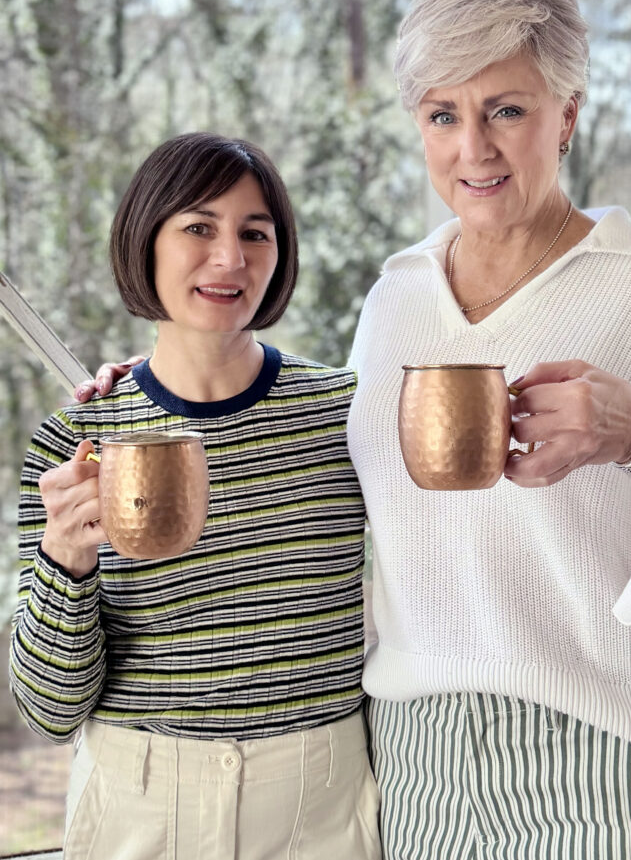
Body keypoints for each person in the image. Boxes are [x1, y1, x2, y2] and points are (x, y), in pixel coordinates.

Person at [77, 0, 631, 860]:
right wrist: (169, 375)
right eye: (444, 114)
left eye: (506, 110)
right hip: (412, 754)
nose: (472, 148)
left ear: (568, 116)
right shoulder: (396, 295)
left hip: (605, 743)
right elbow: (323, 442)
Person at [9, 132, 381, 860]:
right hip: (138, 807)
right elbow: (49, 712)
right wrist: (65, 562)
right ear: (145, 241)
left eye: (254, 233)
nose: (230, 257)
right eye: (199, 227)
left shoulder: (344, 412)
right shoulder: (77, 440)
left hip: (321, 805)